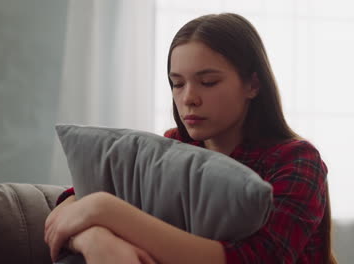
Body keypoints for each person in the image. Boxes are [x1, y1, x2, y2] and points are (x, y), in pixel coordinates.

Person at [44, 13, 337, 264]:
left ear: (253, 84)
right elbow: (72, 202)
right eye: (177, 84)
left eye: (208, 82)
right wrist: (96, 240)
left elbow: (255, 258)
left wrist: (105, 210)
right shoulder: (176, 145)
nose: (189, 99)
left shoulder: (297, 161)